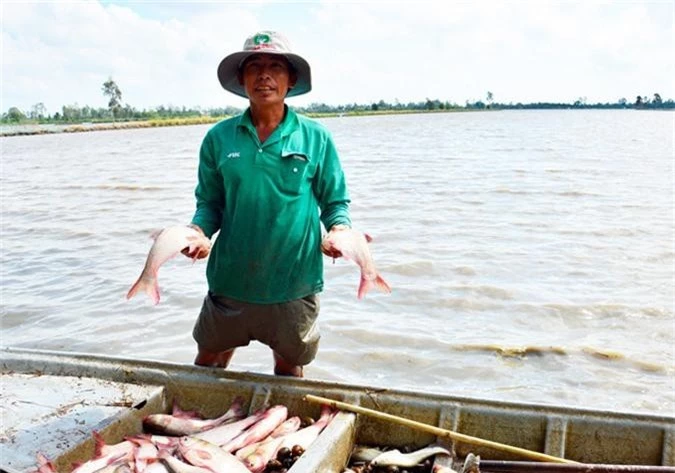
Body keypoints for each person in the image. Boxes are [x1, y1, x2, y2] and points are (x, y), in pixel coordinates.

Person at [184, 31, 351, 377]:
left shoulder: (317, 137)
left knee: (290, 374)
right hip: (230, 282)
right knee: (207, 367)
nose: (264, 75)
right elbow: (209, 203)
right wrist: (198, 233)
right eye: (255, 66)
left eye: (275, 66)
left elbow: (335, 203)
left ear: (291, 80)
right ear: (241, 79)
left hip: (294, 282)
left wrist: (340, 232)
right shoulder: (219, 137)